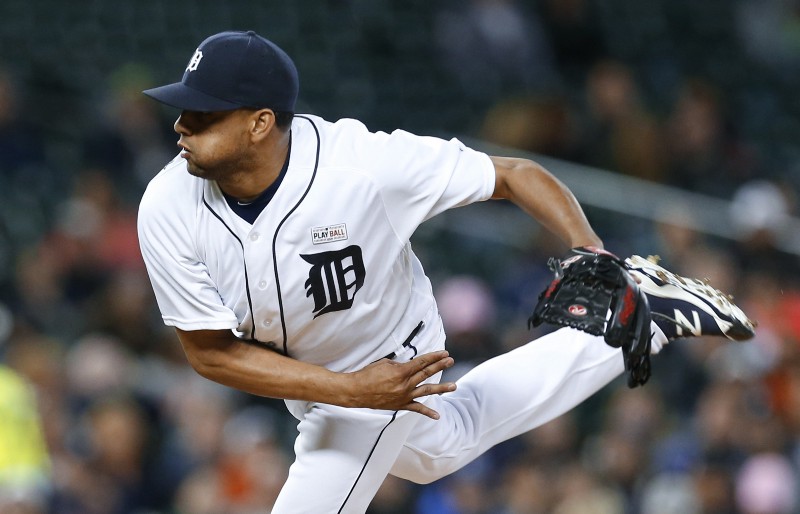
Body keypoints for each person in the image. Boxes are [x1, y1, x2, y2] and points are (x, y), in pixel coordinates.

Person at [137, 30, 755, 513]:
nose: (180, 126)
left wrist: (594, 253)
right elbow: (210, 353)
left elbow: (513, 175)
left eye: (201, 115)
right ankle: (646, 315)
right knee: (443, 447)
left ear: (260, 122)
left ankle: (634, 298)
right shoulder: (168, 205)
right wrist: (347, 390)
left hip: (392, 357)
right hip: (324, 381)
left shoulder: (365, 167)